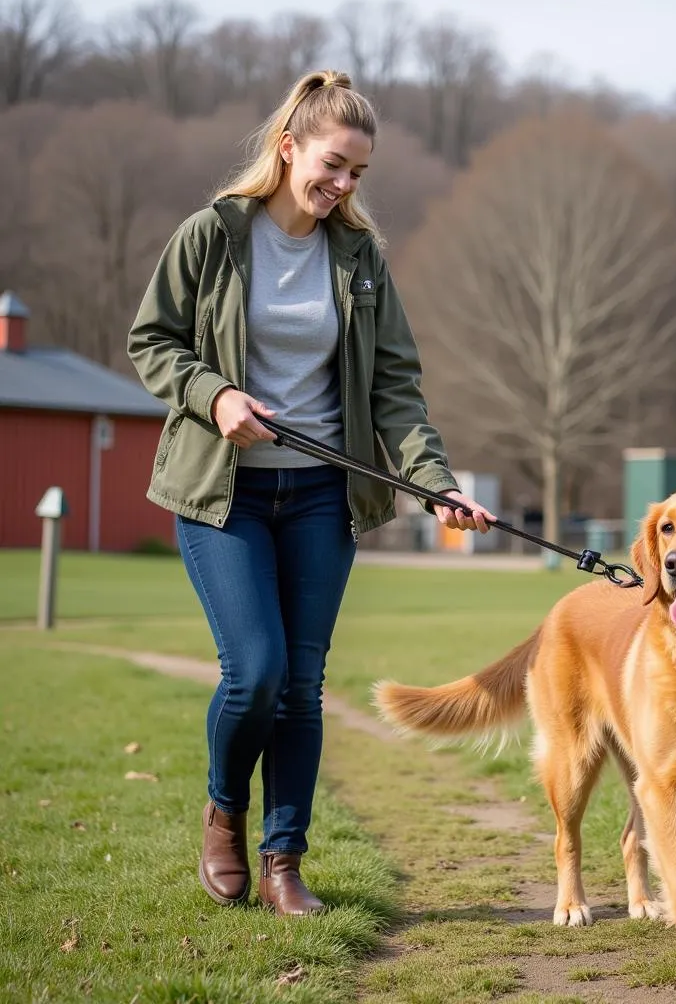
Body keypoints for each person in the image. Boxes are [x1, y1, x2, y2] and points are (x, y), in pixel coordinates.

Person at [127, 68, 495, 917]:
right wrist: (215, 395)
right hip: (224, 495)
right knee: (252, 673)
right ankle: (225, 809)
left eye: (358, 174)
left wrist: (435, 481)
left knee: (300, 684)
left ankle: (284, 862)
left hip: (324, 493)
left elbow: (397, 386)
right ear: (287, 147)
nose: (342, 186)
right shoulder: (212, 236)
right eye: (332, 165)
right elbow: (152, 341)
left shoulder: (361, 258)